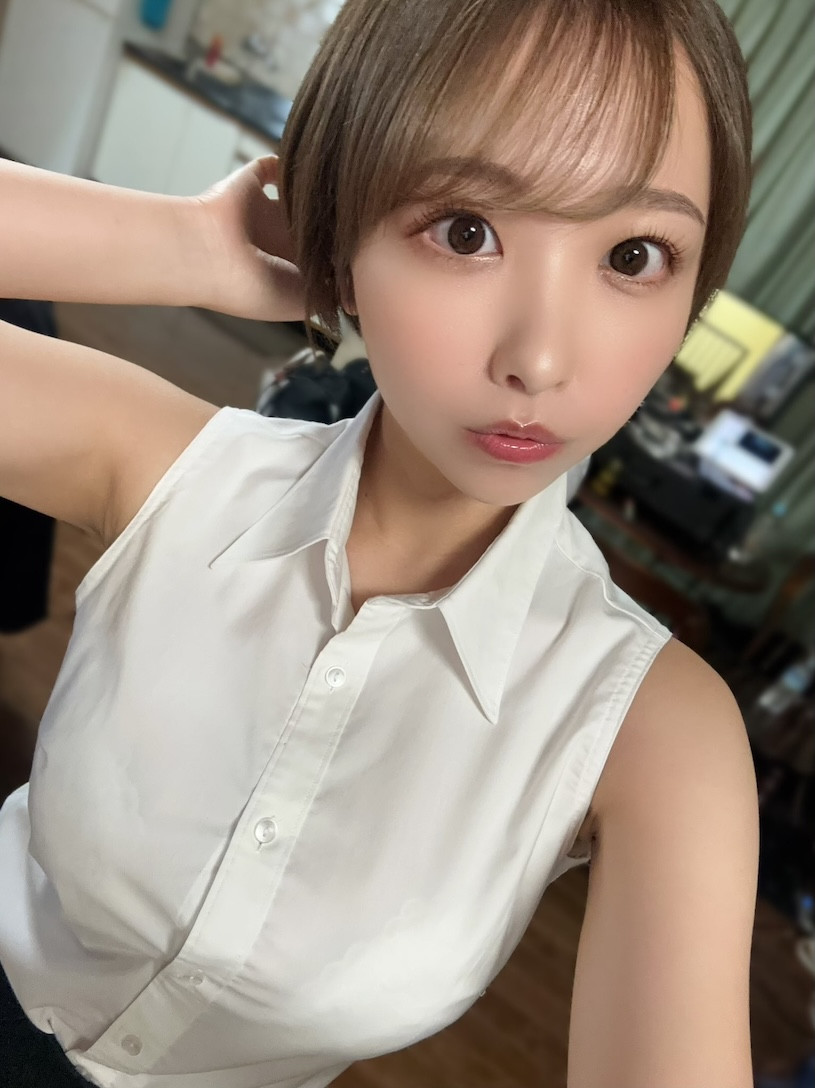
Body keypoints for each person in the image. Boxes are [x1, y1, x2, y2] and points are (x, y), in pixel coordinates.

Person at [0, 0, 760, 1085]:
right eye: (465, 230)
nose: (540, 359)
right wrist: (189, 245)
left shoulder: (657, 733)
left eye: (633, 254)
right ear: (344, 242)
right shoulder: (172, 472)